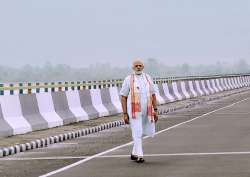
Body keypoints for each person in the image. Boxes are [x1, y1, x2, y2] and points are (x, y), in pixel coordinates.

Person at [120, 59, 158, 163]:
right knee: (137, 131)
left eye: (140, 65)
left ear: (143, 67)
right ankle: (140, 155)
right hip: (134, 111)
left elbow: (153, 95)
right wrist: (124, 114)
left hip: (147, 110)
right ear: (133, 68)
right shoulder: (128, 79)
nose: (138, 67)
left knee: (141, 131)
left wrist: (155, 110)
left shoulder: (148, 78)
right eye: (136, 65)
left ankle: (134, 153)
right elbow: (123, 96)